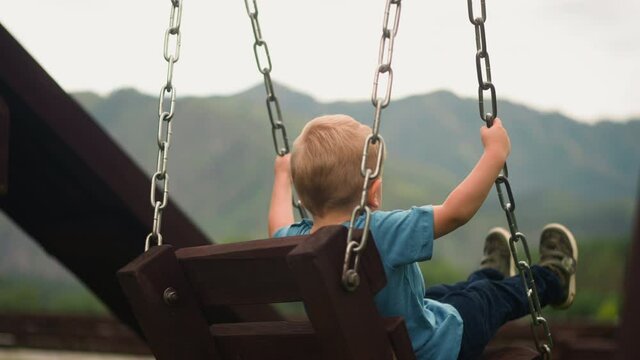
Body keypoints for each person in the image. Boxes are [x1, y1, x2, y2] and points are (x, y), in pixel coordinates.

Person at [268, 114, 578, 360]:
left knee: (446, 293)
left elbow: (277, 226)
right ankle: (554, 278)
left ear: (304, 198)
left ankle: (491, 272)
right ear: (374, 194)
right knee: (487, 299)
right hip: (436, 347)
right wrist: (494, 155)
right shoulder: (377, 232)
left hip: (404, 330)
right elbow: (454, 212)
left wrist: (282, 177)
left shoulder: (297, 242)